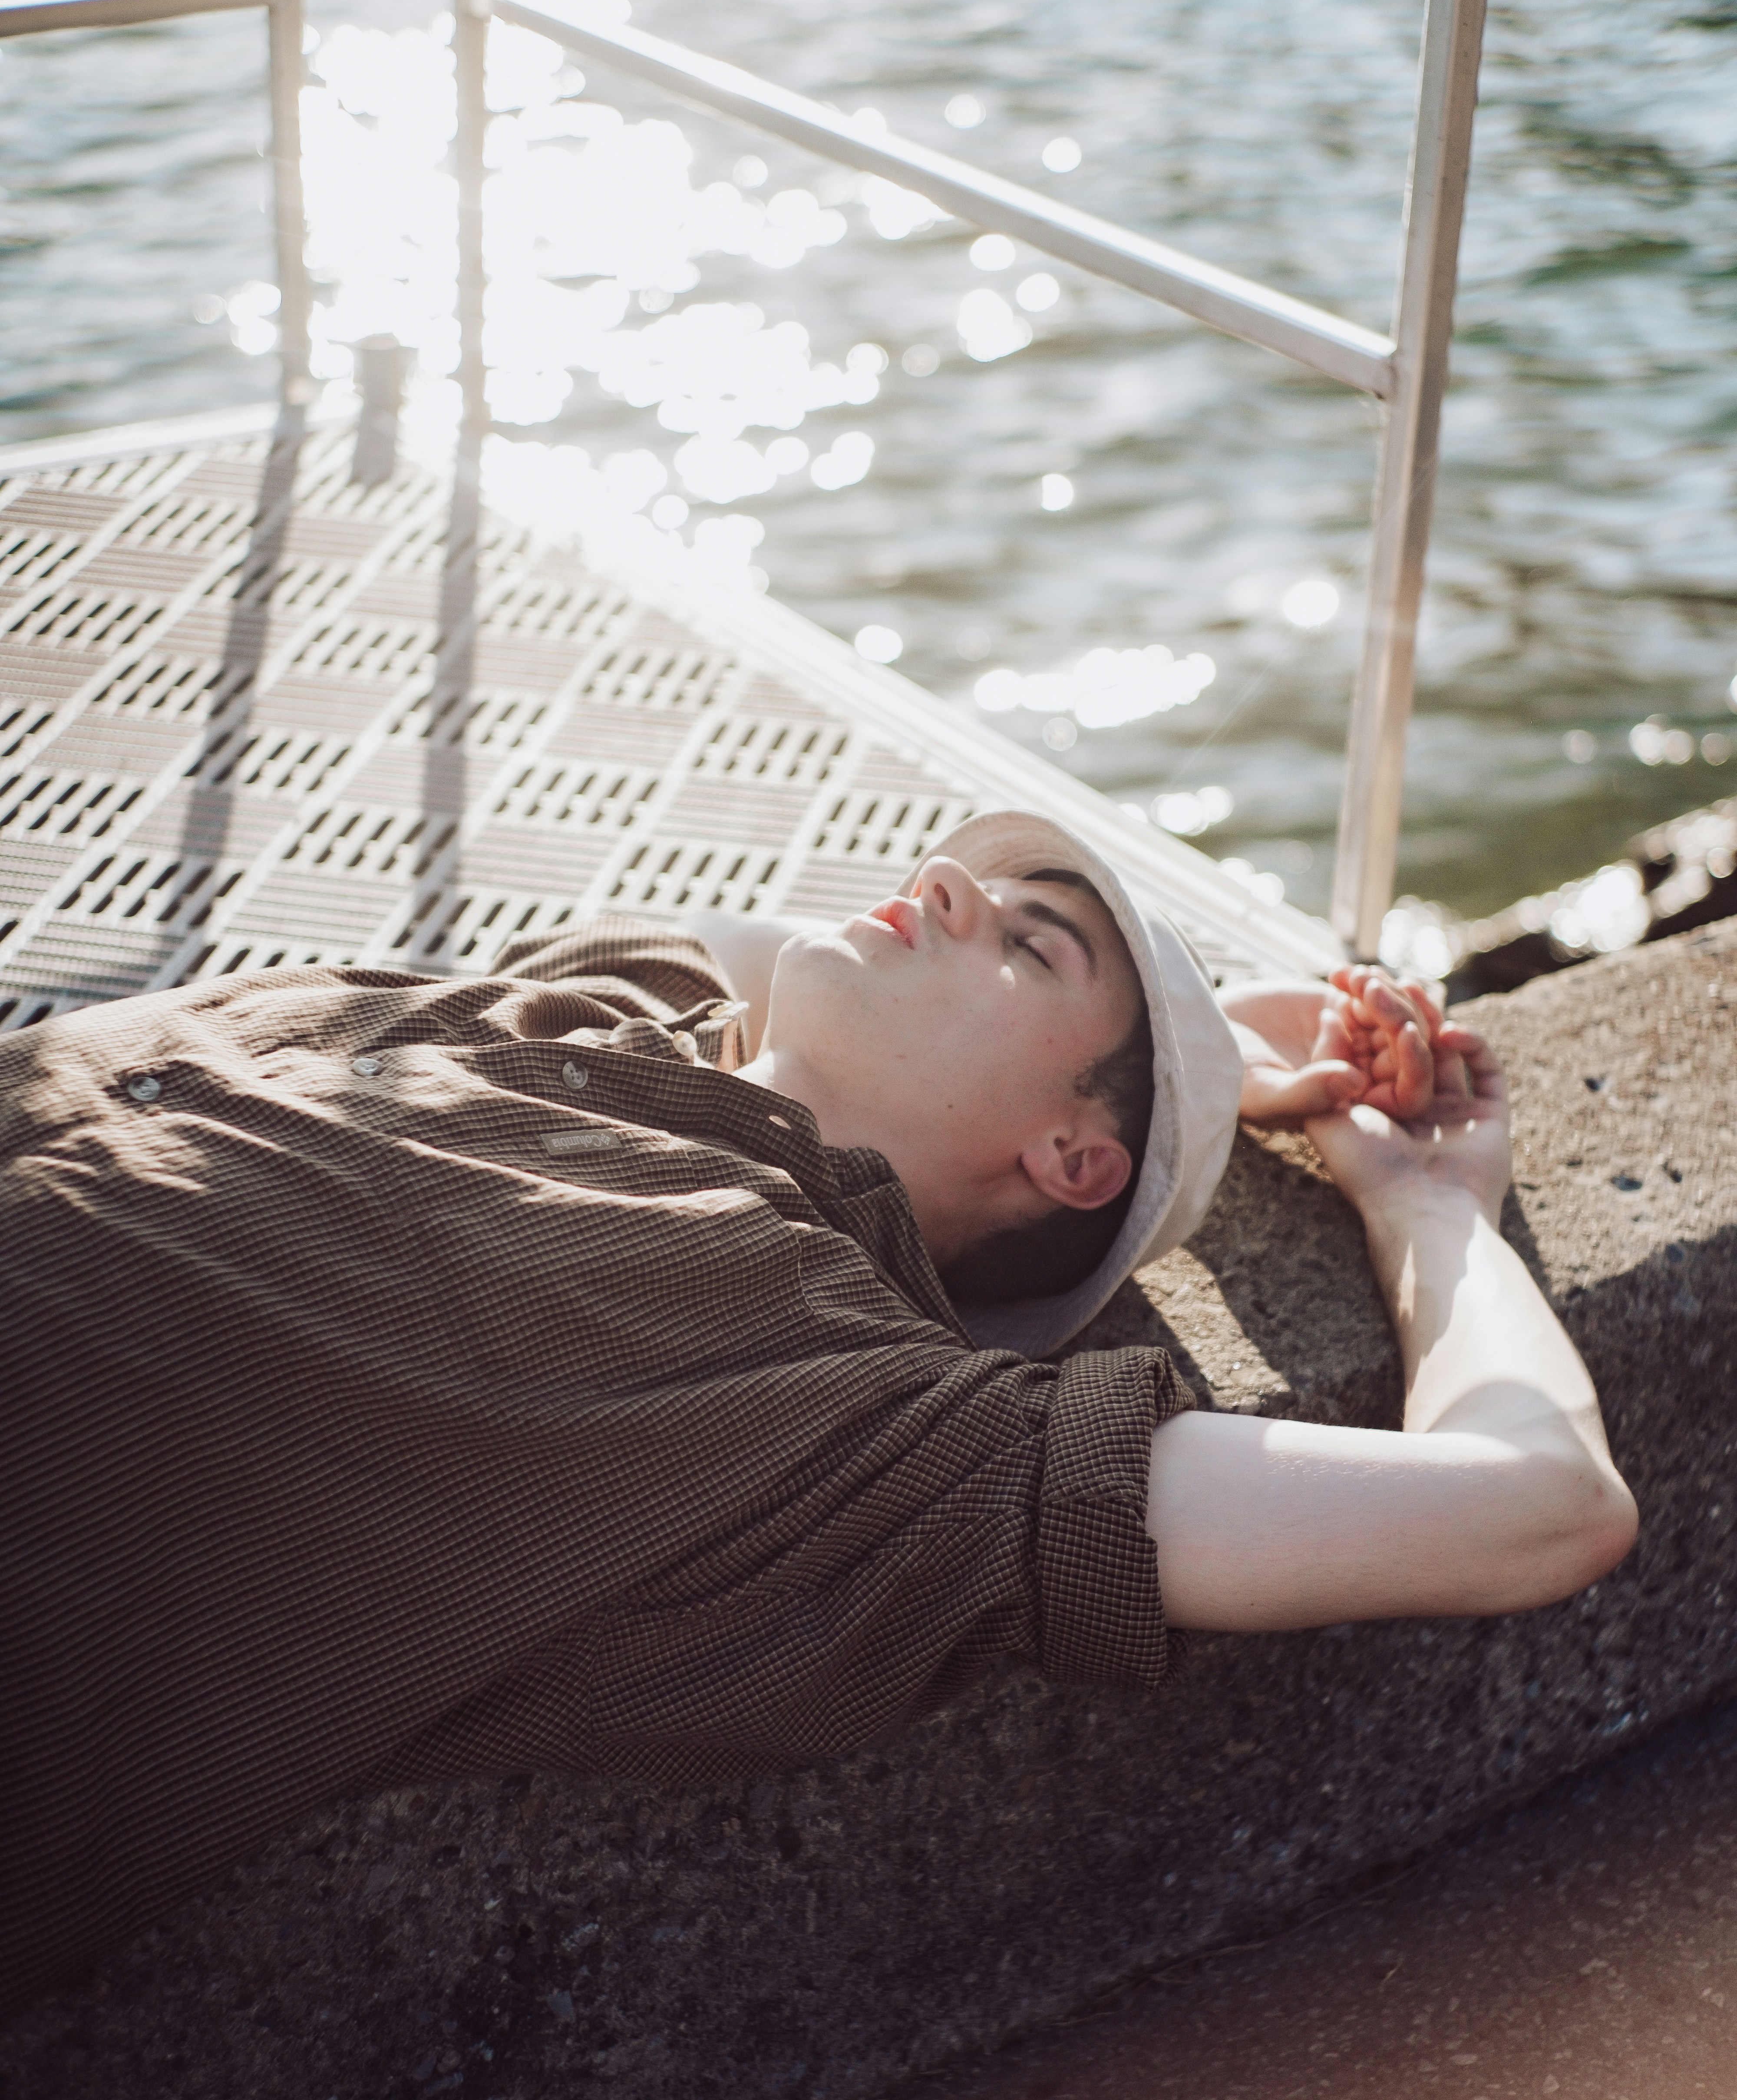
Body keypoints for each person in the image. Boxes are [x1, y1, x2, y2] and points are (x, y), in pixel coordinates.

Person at [0, 811, 1636, 2017]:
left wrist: (1425, 1208)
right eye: (972, 880)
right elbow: (762, 952)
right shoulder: (611, 1008)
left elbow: (1539, 1500)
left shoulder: (836, 1416)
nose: (932, 882)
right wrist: (1232, 1051)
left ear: (1077, 1163)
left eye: (1025, 939)